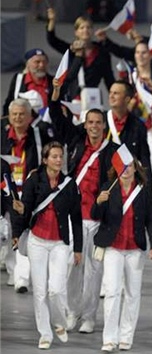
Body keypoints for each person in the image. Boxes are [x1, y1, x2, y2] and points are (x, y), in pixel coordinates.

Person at [47, 79, 116, 333]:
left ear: (104, 126)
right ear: (85, 125)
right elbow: (56, 117)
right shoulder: (76, 142)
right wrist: (55, 92)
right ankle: (72, 311)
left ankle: (89, 316)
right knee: (72, 266)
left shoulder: (113, 151)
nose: (94, 126)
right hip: (74, 217)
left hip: (98, 219)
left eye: (99, 123)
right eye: (90, 122)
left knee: (94, 270)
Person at [11, 141, 82, 349]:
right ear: (45, 160)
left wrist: (77, 248)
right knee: (40, 291)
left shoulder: (69, 184)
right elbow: (24, 210)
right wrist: (16, 233)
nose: (59, 160)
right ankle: (45, 334)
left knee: (56, 289)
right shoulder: (34, 179)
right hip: (37, 242)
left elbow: (76, 219)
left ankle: (59, 322)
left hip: (60, 243)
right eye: (54, 156)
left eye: (61, 156)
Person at [92, 158, 152, 352]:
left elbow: (151, 219)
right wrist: (98, 201)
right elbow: (96, 214)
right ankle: (109, 338)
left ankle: (126, 337)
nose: (126, 170)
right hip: (113, 247)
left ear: (135, 168)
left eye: (129, 166)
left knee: (132, 294)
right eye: (122, 166)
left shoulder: (143, 190)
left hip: (135, 249)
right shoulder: (108, 188)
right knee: (112, 292)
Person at [1, 98, 55, 293]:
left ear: (30, 115)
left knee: (22, 230)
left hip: (28, 190)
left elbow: (50, 158)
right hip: (5, 188)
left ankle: (21, 278)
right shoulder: (2, 135)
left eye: (22, 114)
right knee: (6, 231)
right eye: (14, 114)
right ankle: (13, 269)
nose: (18, 117)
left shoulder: (39, 135)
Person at [46, 8, 115, 100]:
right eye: (82, 28)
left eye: (89, 27)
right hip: (73, 97)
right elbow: (52, 40)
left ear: (92, 31)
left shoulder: (102, 52)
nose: (85, 30)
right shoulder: (71, 50)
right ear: (76, 32)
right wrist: (52, 20)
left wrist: (115, 94)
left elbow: (109, 78)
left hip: (92, 97)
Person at [3, 48, 53, 116]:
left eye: (44, 62)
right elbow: (9, 102)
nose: (41, 65)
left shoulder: (53, 81)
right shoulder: (18, 79)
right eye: (37, 62)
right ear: (28, 64)